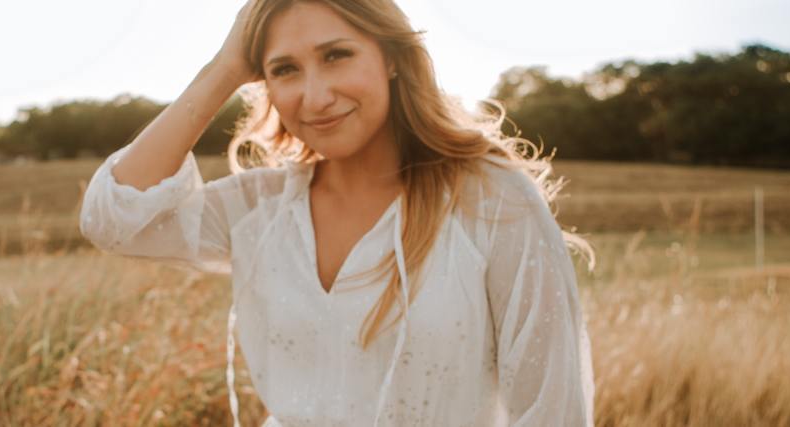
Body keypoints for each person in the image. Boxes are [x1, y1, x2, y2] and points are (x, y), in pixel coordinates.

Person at [79, 0, 594, 425]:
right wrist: (224, 68)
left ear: (391, 57)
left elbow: (554, 408)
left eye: (337, 55)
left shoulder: (491, 200)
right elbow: (112, 221)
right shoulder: (259, 208)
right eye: (285, 69)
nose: (316, 96)